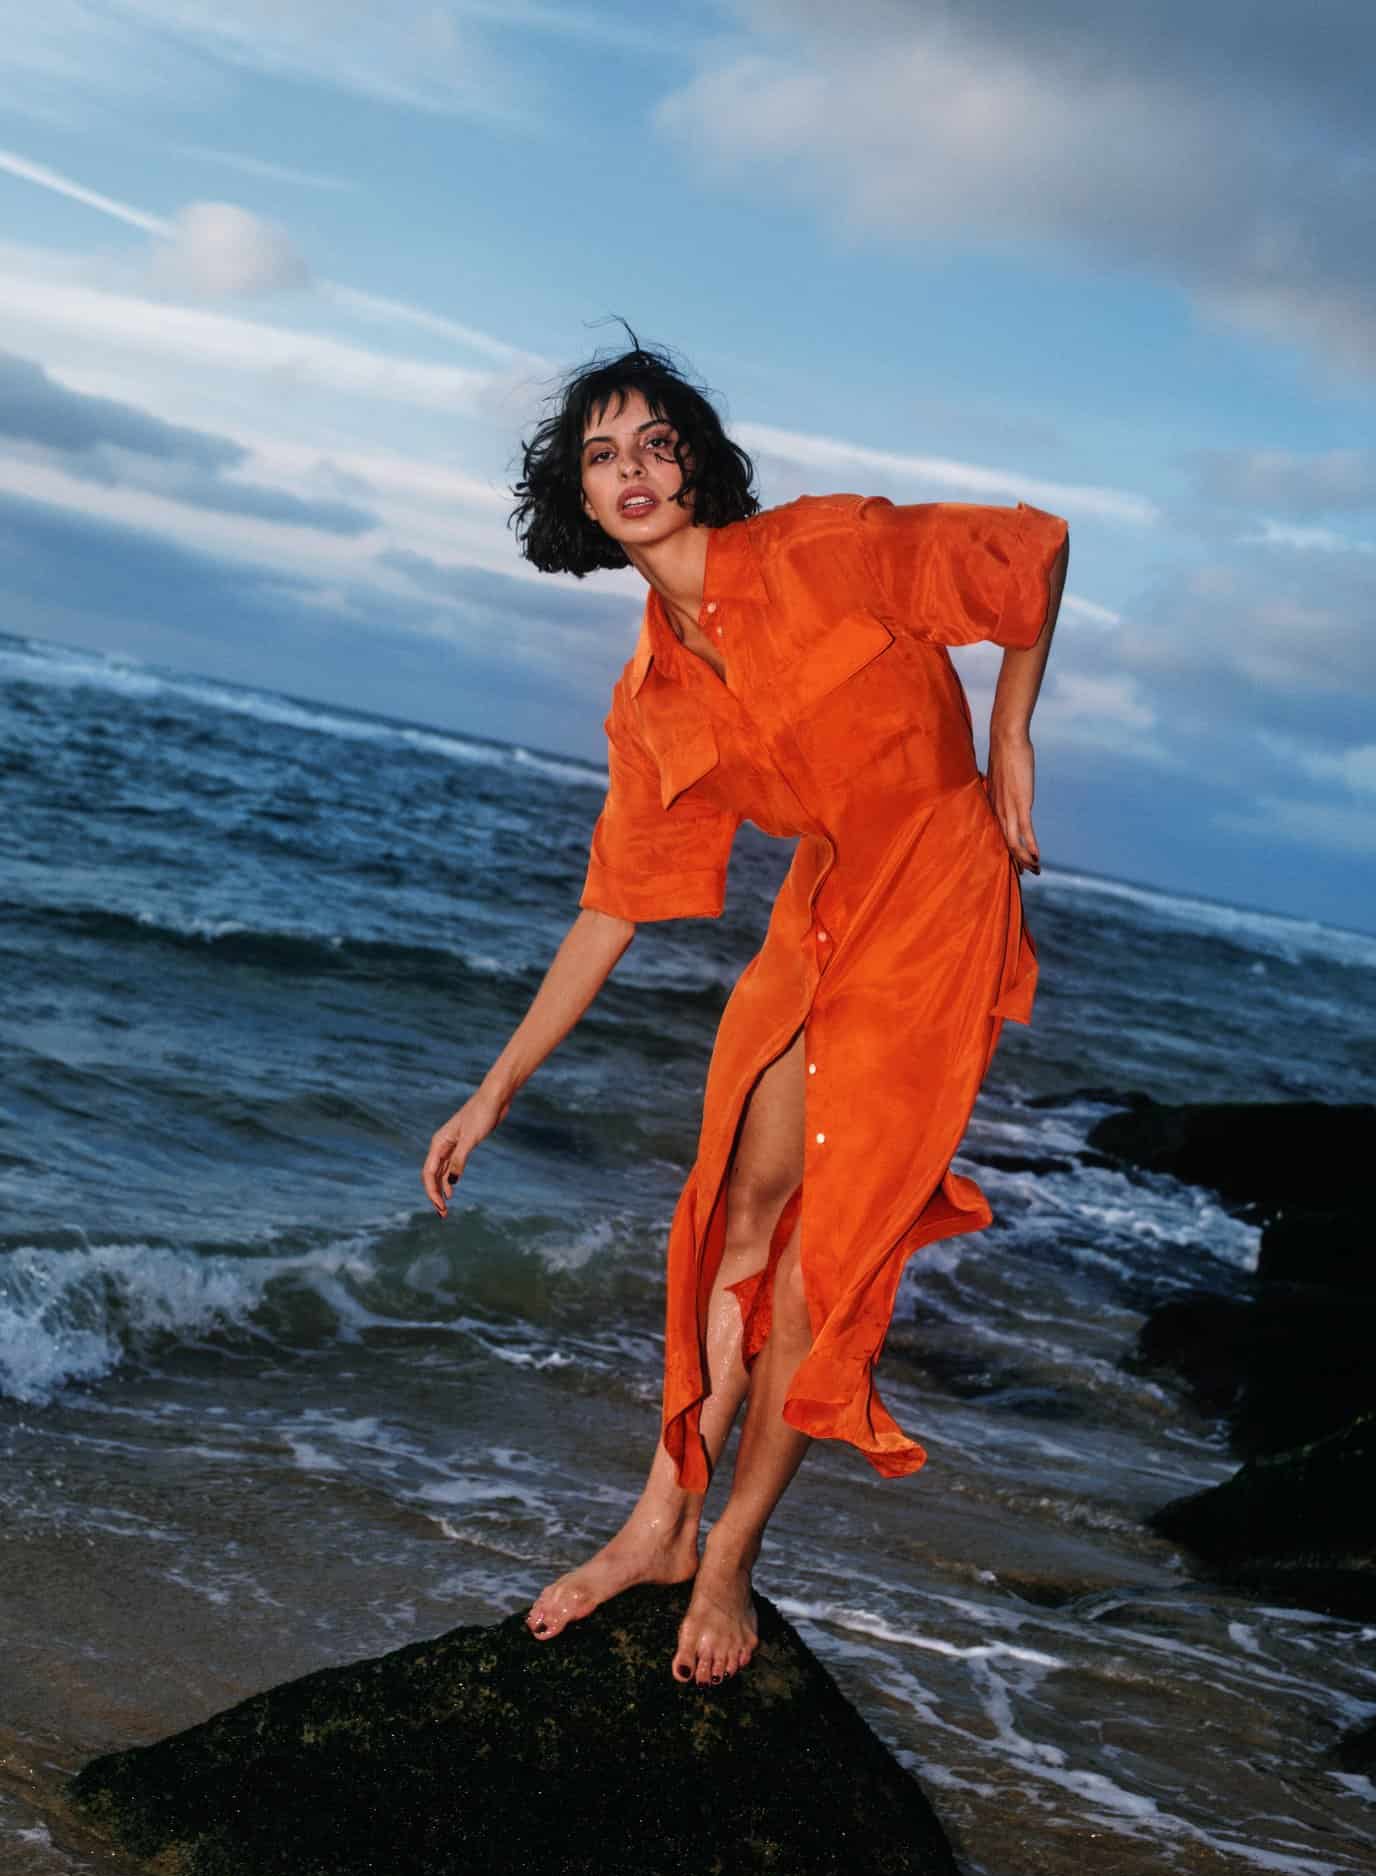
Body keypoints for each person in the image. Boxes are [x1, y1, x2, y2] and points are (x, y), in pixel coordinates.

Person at [422, 340, 1069, 1690]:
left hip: (938, 902)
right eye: (603, 455)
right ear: (578, 497)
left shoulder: (826, 548)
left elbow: (1028, 554)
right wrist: (494, 1090)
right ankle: (661, 1522)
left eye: (656, 443)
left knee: (827, 1255)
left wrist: (1010, 734)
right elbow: (612, 907)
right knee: (735, 1213)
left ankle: (731, 1558)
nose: (634, 471)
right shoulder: (652, 693)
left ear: (696, 462)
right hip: (824, 905)